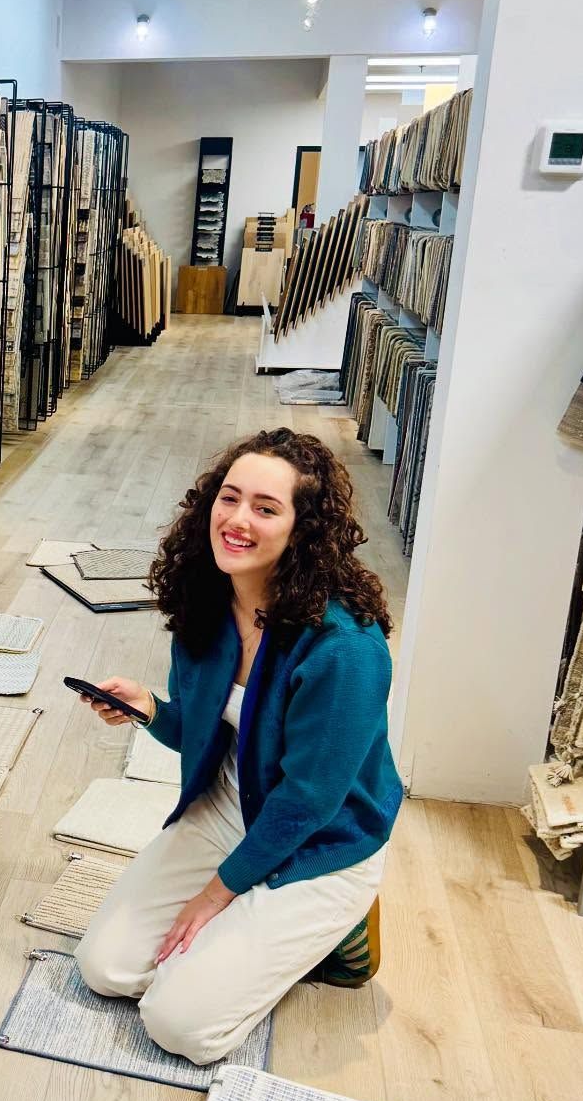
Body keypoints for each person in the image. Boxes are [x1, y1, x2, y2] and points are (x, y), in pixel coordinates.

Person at [73, 428, 402, 1065]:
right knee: (105, 968)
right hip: (229, 806)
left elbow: (306, 803)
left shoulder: (346, 649)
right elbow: (213, 734)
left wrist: (216, 894)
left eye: (266, 508)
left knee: (181, 1026)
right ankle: (259, 931)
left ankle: (340, 921)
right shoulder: (206, 602)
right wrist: (148, 710)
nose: (237, 520)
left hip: (321, 839)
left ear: (304, 529)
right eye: (230, 498)